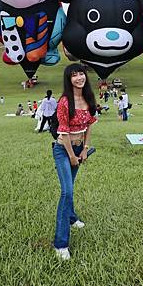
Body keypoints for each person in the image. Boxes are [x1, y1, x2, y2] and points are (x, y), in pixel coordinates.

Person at [52, 63, 97, 260]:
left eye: (81, 74)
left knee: (71, 187)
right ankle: (60, 244)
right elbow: (64, 131)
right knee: (66, 191)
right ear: (68, 79)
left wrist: (85, 150)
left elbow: (89, 127)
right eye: (74, 75)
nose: (79, 78)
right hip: (64, 150)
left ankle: (71, 218)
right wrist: (72, 156)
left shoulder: (88, 99)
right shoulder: (64, 102)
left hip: (79, 149)